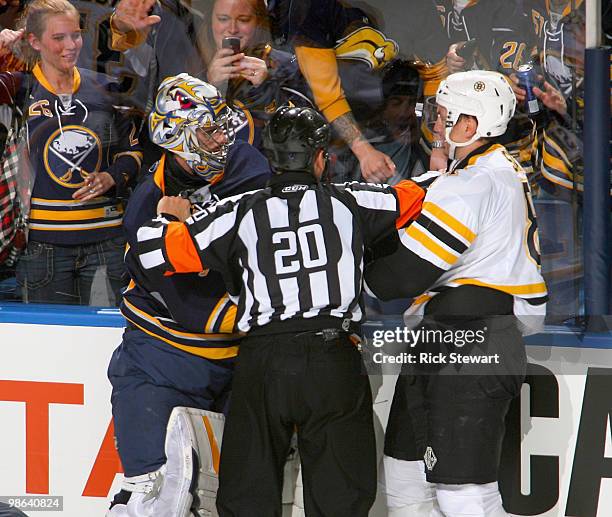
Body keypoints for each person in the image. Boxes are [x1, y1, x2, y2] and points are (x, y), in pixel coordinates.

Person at [133, 105, 430, 516]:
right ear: (320, 157)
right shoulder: (351, 201)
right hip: (333, 360)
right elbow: (418, 198)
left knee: (247, 500)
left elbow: (151, 252)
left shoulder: (237, 211)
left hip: (262, 362)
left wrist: (170, 218)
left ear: (271, 158)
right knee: (340, 500)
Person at [364, 70, 547, 516]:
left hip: (472, 337)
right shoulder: (489, 169)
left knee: (462, 494)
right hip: (448, 335)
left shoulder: (472, 183)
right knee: (406, 476)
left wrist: (363, 252)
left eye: (443, 115)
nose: (434, 122)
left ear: (470, 126)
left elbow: (396, 281)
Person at [107, 74, 271, 516]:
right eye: (210, 129)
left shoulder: (245, 164)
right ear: (176, 137)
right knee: (153, 494)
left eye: (221, 124)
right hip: (162, 366)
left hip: (236, 370)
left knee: (235, 500)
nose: (225, 137)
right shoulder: (146, 206)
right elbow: (192, 305)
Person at [0, 0, 142, 305]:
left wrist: (112, 176)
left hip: (107, 242)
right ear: (35, 41)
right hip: (41, 246)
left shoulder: (104, 89)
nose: (70, 45)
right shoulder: (16, 90)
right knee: (47, 347)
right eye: (58, 38)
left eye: (75, 35)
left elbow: (132, 151)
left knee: (109, 341)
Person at [274, 0, 449, 182]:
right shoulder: (315, 5)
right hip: (328, 136)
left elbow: (436, 76)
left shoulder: (418, 6)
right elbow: (327, 95)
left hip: (388, 132)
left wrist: (437, 145)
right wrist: (363, 150)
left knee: (394, 202)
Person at [109, 0, 309, 153]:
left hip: (258, 182)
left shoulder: (284, 65)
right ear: (210, 20)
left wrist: (265, 88)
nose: (232, 29)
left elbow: (304, 133)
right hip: (199, 184)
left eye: (243, 20)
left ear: (259, 23)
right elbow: (164, 129)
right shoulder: (187, 59)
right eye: (223, 19)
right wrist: (206, 85)